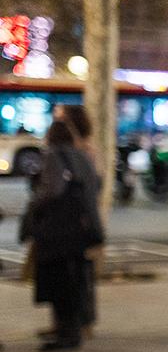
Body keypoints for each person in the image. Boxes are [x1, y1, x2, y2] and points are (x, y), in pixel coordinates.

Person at [19, 118, 101, 352]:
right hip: (79, 230)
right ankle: (71, 329)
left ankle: (66, 333)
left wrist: (35, 206)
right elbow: (95, 186)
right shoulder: (81, 156)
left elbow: (52, 190)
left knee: (59, 281)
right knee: (74, 280)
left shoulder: (53, 155)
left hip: (57, 233)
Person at [54, 104, 100, 334]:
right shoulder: (72, 148)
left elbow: (89, 189)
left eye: (61, 117)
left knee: (81, 273)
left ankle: (83, 322)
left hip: (79, 220)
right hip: (74, 219)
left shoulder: (83, 150)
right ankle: (74, 321)